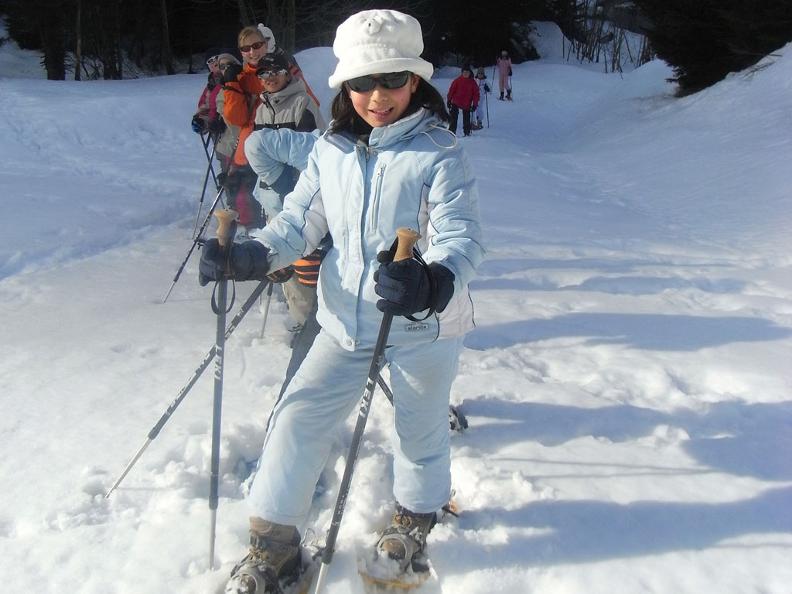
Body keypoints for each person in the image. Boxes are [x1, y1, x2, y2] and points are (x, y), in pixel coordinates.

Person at [199, 9, 484, 593]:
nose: (377, 96)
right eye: (361, 82)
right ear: (344, 86)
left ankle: (414, 517)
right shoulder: (329, 149)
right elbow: (298, 222)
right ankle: (275, 545)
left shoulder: (439, 152)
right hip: (343, 322)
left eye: (392, 79)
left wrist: (433, 281)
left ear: (415, 80)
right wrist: (252, 255)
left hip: (423, 325)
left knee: (419, 430)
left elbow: (461, 237)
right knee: (296, 417)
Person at [446, 64, 479, 137]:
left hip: (466, 103)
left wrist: (475, 104)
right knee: (453, 117)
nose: (465, 74)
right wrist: (449, 100)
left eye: (467, 72)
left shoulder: (472, 82)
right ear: (462, 73)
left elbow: (476, 94)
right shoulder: (457, 80)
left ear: (470, 73)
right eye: (464, 72)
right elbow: (451, 90)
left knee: (466, 118)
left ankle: (467, 132)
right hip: (456, 101)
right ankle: (452, 132)